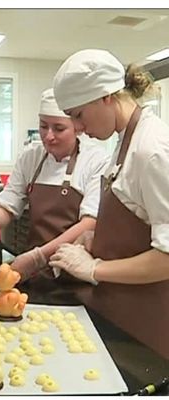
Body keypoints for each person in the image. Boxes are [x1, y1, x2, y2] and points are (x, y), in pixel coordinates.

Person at [49, 49, 169, 285]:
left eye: (78, 115)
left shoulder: (151, 150)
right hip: (122, 305)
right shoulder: (125, 141)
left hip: (150, 313)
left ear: (106, 96)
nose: (77, 127)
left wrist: (95, 269)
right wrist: (99, 239)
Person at [0, 88, 110, 281]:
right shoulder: (31, 158)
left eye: (59, 129)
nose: (48, 136)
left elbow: (90, 223)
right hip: (33, 273)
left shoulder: (95, 160)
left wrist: (39, 257)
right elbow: (8, 205)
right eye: (43, 126)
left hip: (74, 271)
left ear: (78, 127)